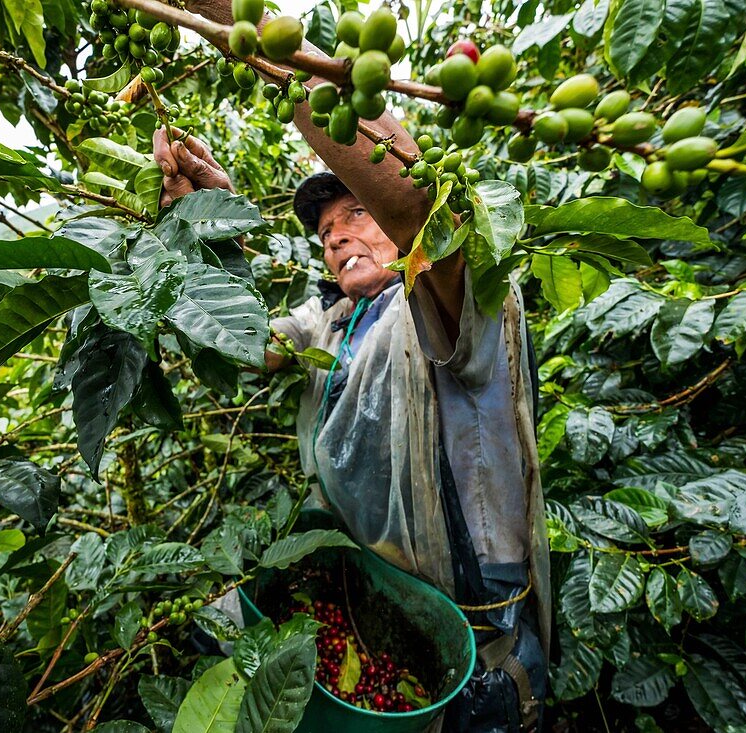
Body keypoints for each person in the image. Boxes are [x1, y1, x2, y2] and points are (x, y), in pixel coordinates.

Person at [152, 6, 550, 731]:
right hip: (369, 590)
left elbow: (431, 213)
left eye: (356, 215)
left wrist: (261, 41)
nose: (338, 237)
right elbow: (247, 341)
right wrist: (208, 220)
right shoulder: (330, 322)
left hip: (469, 626)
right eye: (327, 233)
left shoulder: (450, 304)